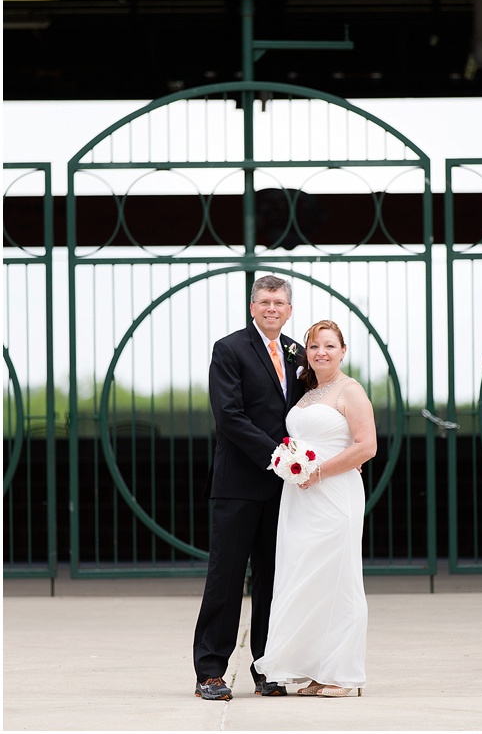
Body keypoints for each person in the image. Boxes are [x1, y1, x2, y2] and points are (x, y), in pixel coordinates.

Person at [193, 275, 305, 701]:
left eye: (279, 302)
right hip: (238, 483)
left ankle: (267, 668)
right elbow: (229, 415)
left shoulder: (298, 352)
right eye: (264, 301)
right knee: (225, 577)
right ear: (252, 307)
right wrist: (279, 454)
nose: (272, 308)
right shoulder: (229, 349)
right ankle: (210, 672)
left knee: (274, 580)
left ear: (289, 309)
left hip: (284, 489)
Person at [253, 319, 377, 698]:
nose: (321, 352)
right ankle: (318, 670)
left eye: (329, 346)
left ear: (343, 351)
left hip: (334, 494)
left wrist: (319, 470)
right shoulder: (307, 393)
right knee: (308, 580)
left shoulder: (350, 390)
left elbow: (366, 446)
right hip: (301, 496)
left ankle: (343, 673)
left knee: (339, 579)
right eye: (313, 346)